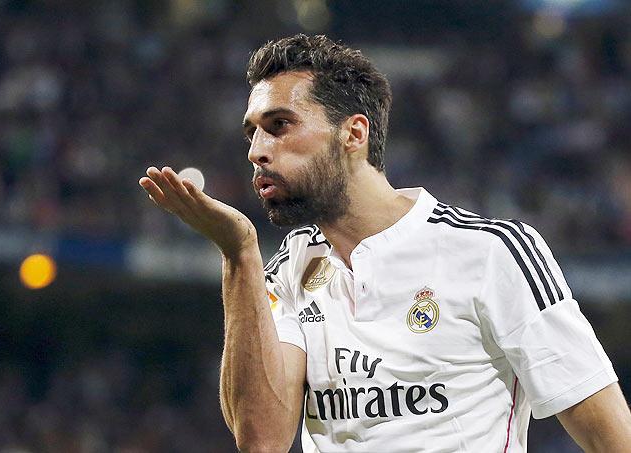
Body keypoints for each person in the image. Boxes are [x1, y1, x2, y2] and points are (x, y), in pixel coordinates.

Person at [138, 34, 631, 452]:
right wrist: (239, 253)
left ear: (353, 133)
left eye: (279, 126)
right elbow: (262, 439)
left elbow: (612, 436)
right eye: (252, 134)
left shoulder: (493, 252)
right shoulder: (289, 266)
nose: (257, 151)